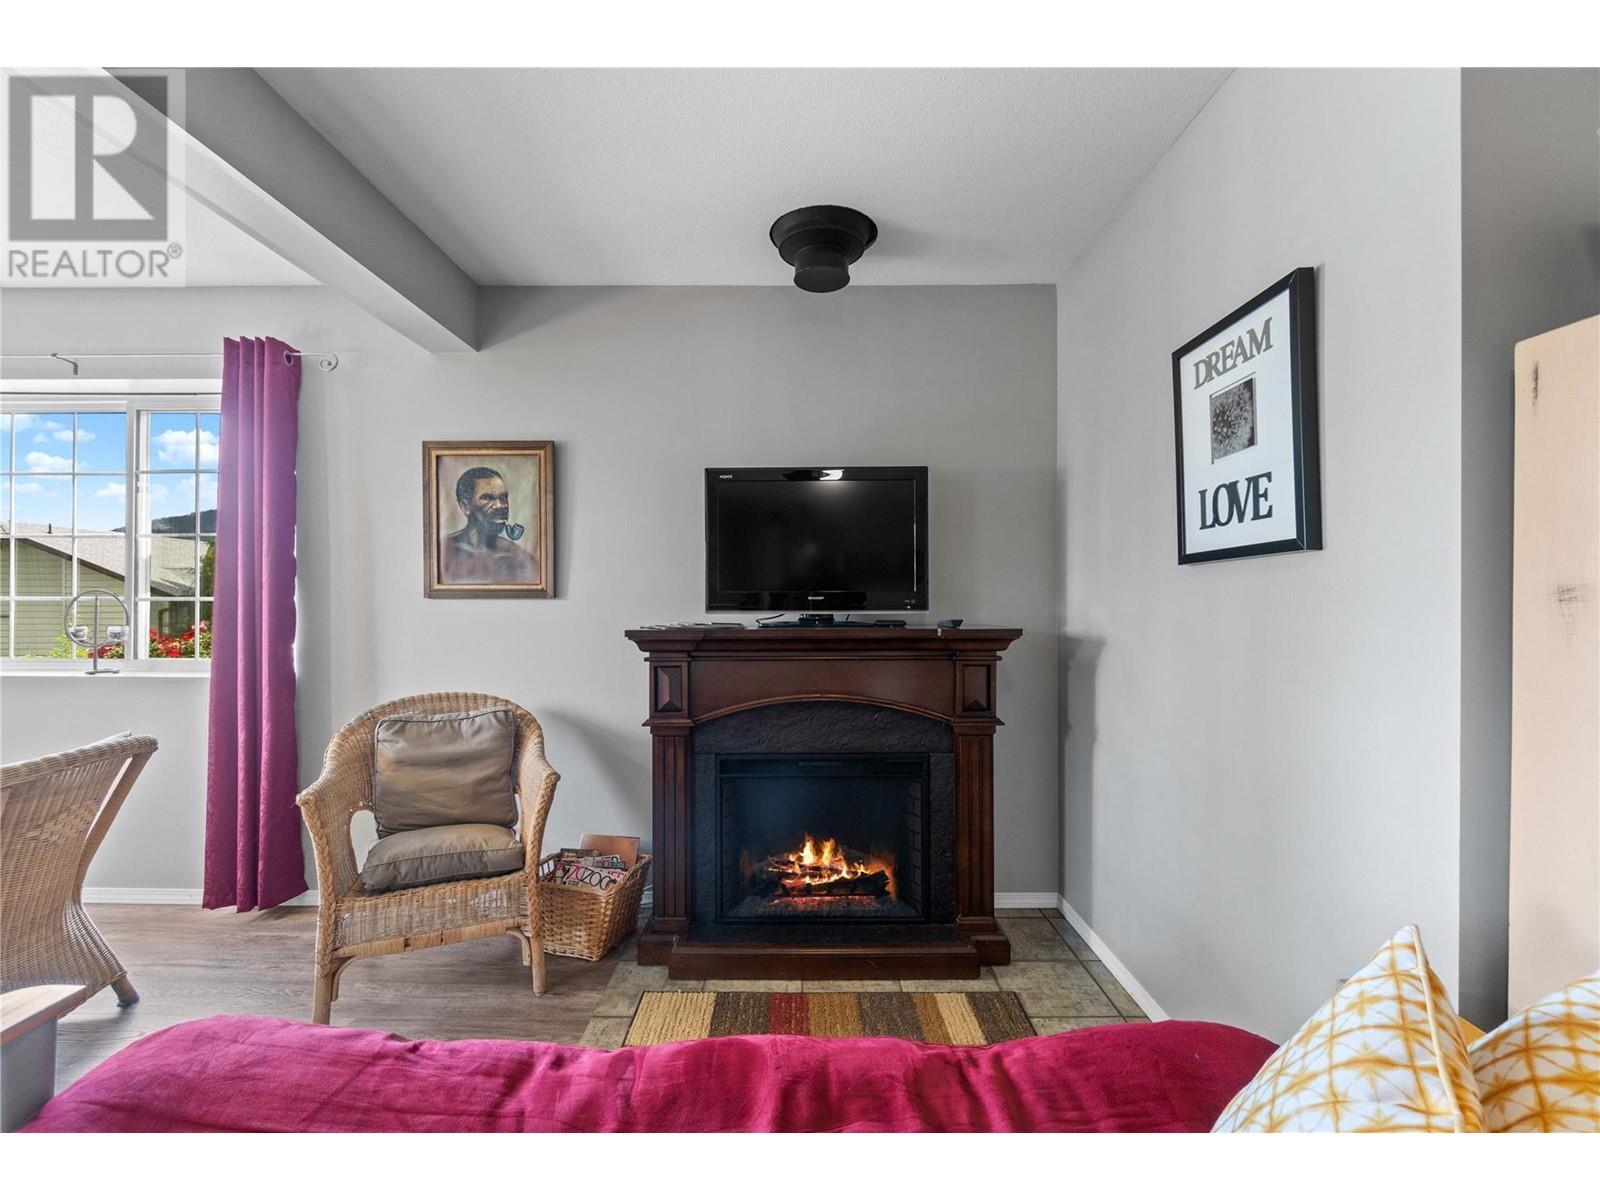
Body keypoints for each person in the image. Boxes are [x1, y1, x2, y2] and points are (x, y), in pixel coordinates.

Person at [440, 466, 539, 584]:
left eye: (503, 497)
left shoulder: (520, 559)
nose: (500, 505)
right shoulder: (443, 552)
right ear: (465, 507)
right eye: (487, 498)